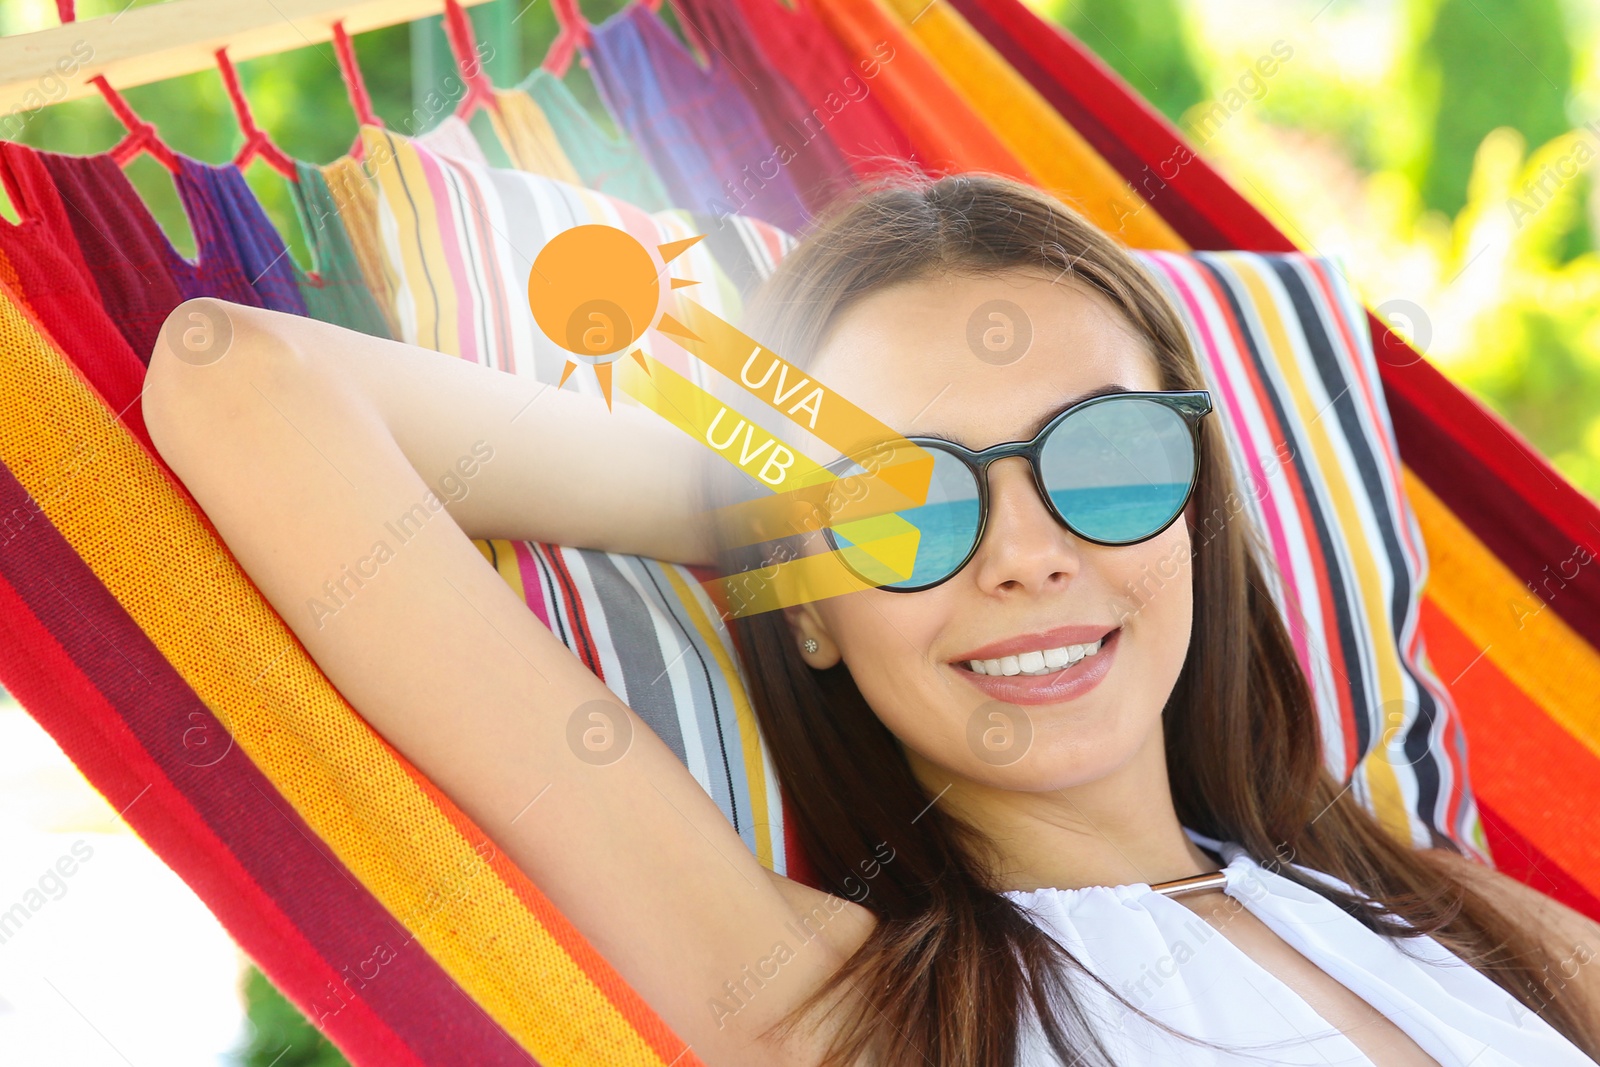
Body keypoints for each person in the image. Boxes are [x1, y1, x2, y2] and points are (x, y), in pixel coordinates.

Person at [142, 171, 1600, 1067]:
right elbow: (234, 372)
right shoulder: (834, 1008)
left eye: (1103, 459)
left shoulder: (1464, 919)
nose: (1026, 555)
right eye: (919, 504)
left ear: (1198, 517)